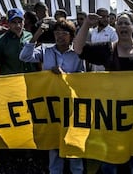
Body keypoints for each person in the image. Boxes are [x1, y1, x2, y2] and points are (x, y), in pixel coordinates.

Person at [73, 12, 133, 174]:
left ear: (132, 27)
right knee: (110, 162)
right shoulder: (107, 49)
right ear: (115, 28)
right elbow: (78, 49)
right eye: (120, 23)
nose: (123, 26)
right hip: (111, 114)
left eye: (126, 23)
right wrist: (86, 25)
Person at [20, 18, 84, 174]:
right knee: (54, 140)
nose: (59, 37)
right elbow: (24, 56)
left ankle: (77, 170)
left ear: (71, 36)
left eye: (63, 33)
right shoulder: (45, 50)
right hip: (51, 104)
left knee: (74, 139)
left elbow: (83, 77)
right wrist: (37, 35)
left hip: (71, 104)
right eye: (56, 33)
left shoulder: (78, 53)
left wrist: (66, 76)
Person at [0, 8, 37, 75]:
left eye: (20, 22)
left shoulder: (29, 36)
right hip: (11, 81)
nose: (18, 25)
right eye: (13, 22)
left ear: (24, 22)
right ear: (8, 23)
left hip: (30, 78)